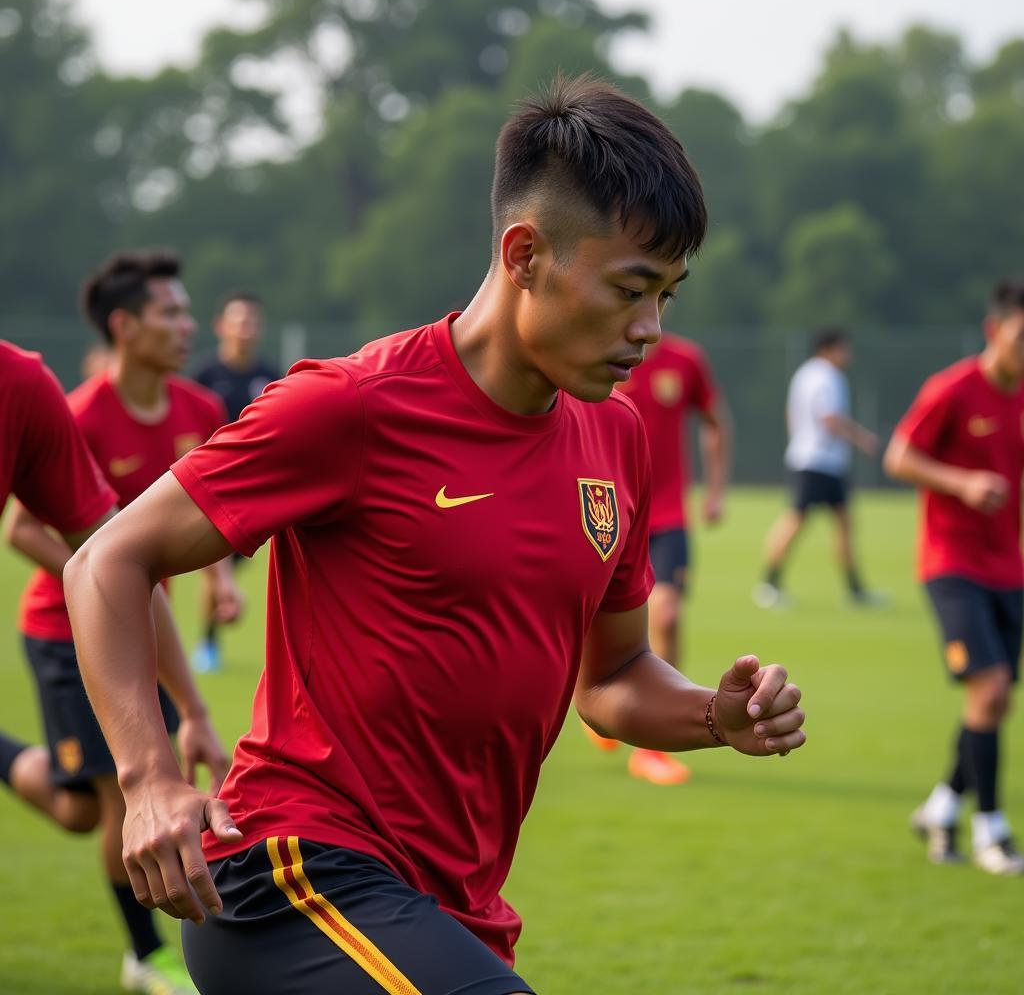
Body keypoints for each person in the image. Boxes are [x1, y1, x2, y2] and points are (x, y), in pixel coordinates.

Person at [64, 77, 806, 995]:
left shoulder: (616, 438)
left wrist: (715, 717)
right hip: (293, 876)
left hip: (446, 912)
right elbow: (107, 558)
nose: (650, 329)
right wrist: (147, 780)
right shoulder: (353, 405)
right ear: (525, 252)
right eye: (631, 289)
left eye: (668, 296)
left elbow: (610, 679)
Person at [2, 251, 239, 995]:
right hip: (62, 632)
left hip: (135, 622)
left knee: (78, 811)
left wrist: (220, 581)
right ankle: (146, 953)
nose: (186, 325)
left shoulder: (197, 411)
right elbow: (25, 532)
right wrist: (89, 577)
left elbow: (207, 520)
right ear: (123, 326)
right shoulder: (78, 411)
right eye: (170, 312)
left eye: (185, 310)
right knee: (114, 793)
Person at [884, 278, 1024, 876]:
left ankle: (942, 808)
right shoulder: (953, 389)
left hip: (1008, 568)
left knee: (989, 704)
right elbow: (898, 456)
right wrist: (962, 483)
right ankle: (992, 829)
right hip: (951, 565)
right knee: (989, 692)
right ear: (995, 331)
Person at [587, 332, 731, 786]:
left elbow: (714, 420)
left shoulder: (687, 360)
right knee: (582, 618)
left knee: (666, 616)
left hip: (666, 516)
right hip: (605, 510)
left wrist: (715, 490)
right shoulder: (600, 351)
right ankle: (600, 701)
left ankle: (651, 747)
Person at [753, 327, 881, 608]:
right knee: (796, 520)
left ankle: (855, 589)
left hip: (816, 460)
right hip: (819, 462)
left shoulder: (805, 374)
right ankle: (768, 584)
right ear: (829, 349)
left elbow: (791, 413)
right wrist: (863, 439)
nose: (848, 355)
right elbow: (830, 418)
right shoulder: (827, 376)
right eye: (844, 348)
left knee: (844, 523)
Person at [189, 291, 280, 672]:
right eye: (238, 320)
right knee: (215, 565)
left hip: (257, 494)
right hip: (210, 488)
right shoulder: (203, 376)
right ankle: (207, 644)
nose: (245, 328)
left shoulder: (272, 377)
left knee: (226, 569)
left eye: (252, 321)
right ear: (220, 326)